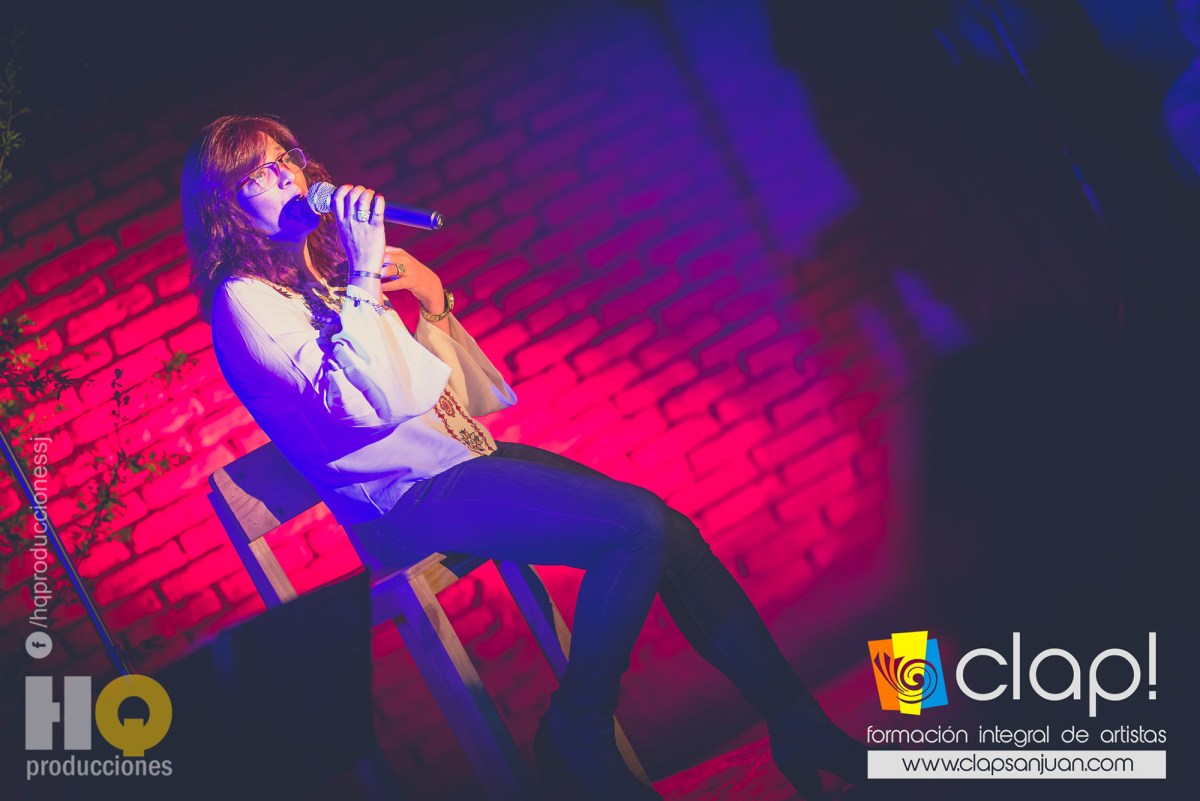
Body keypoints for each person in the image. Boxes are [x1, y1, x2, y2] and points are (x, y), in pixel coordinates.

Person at [180, 114, 866, 800]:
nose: (286, 175)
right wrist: (362, 273)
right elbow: (369, 406)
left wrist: (429, 295)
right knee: (632, 528)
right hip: (404, 501)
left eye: (287, 158)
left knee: (667, 529)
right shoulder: (244, 303)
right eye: (258, 173)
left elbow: (435, 394)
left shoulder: (318, 272)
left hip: (459, 462)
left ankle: (796, 720)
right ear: (224, 211)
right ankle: (578, 729)